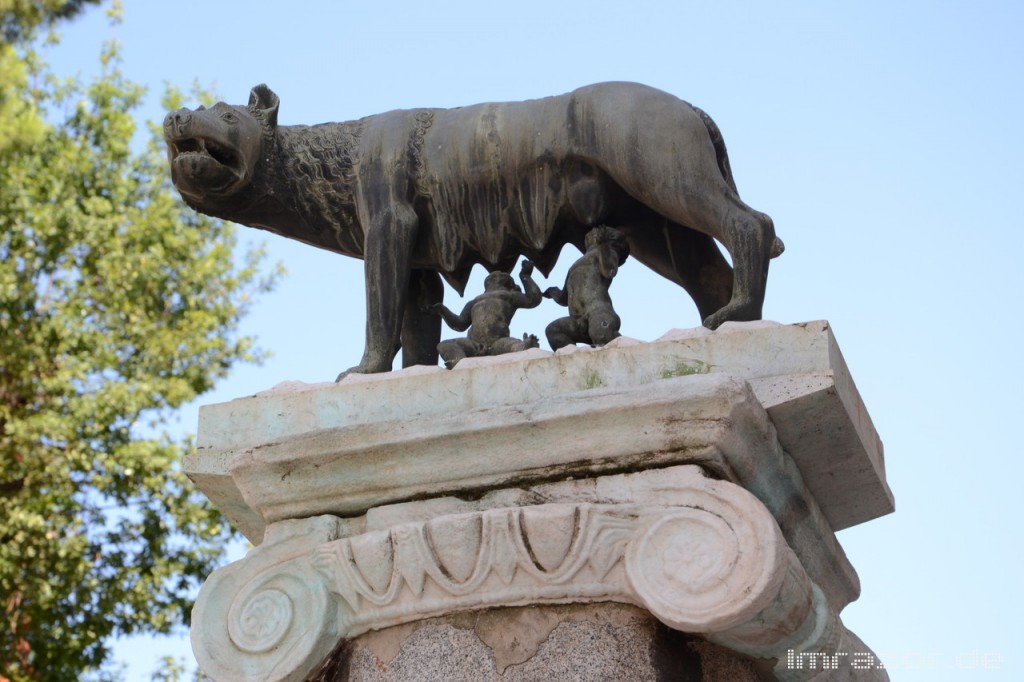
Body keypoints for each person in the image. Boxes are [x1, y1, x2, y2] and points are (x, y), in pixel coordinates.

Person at [426, 259, 542, 368]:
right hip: (474, 345)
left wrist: (525, 276)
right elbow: (460, 324)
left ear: (509, 284)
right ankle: (460, 364)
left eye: (500, 275)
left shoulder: (509, 296)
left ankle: (525, 346)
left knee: (514, 345)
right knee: (444, 345)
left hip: (498, 342)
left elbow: (533, 299)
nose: (497, 274)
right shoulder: (474, 302)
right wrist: (442, 310)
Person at [543, 226, 629, 351]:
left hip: (599, 313)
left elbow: (609, 271)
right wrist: (553, 293)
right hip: (578, 321)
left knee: (600, 332)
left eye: (596, 231)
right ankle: (573, 358)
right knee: (553, 330)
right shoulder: (577, 263)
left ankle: (623, 346)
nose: (591, 232)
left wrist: (604, 246)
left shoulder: (609, 252)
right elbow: (564, 298)